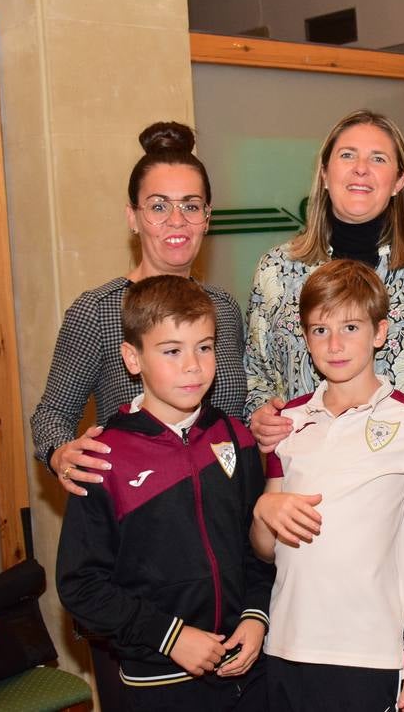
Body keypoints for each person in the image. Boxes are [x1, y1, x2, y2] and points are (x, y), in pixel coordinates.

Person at [245, 110, 404, 709]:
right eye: (347, 156)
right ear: (324, 173)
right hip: (322, 556)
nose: (361, 169)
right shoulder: (278, 273)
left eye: (379, 158)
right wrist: (261, 421)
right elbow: (257, 385)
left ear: (400, 180)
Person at [30, 121, 247, 708]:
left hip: (218, 564)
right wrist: (60, 450)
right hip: (137, 579)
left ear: (207, 217)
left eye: (190, 207)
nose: (176, 223)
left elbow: (234, 416)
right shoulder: (99, 313)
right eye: (159, 207)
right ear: (133, 217)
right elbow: (51, 413)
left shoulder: (223, 310)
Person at [56, 276, 272, 711]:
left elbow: (258, 549)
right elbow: (81, 586)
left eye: (205, 347)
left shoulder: (236, 438)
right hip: (158, 681)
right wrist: (169, 637)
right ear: (133, 359)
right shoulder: (103, 458)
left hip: (246, 673)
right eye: (172, 351)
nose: (193, 365)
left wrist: (256, 615)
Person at [252, 260, 404, 712]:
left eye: (351, 327)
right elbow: (265, 549)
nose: (335, 344)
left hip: (365, 654)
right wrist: (264, 510)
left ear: (379, 332)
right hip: (286, 646)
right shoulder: (287, 423)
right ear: (305, 338)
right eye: (320, 330)